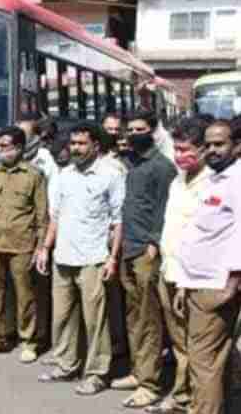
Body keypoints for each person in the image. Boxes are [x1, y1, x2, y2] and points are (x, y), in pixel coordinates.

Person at [36, 121, 125, 395]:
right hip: (63, 256)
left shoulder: (111, 174)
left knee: (96, 322)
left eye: (81, 143)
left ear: (95, 146)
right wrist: (45, 248)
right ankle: (66, 365)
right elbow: (56, 216)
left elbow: (117, 221)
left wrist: (112, 259)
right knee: (62, 317)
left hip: (94, 258)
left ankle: (97, 374)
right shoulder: (64, 175)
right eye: (73, 143)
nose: (75, 148)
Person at [174, 120, 241, 414]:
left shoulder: (237, 182)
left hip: (215, 286)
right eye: (208, 144)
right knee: (215, 363)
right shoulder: (216, 180)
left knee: (203, 365)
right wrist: (183, 283)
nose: (212, 150)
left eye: (220, 144)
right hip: (198, 282)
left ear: (236, 146)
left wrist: (234, 281)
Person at [146, 118, 211, 413]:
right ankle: (184, 395)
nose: (179, 156)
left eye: (185, 149)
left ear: (202, 150)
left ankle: (201, 399)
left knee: (198, 347)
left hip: (192, 278)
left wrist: (188, 281)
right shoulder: (177, 181)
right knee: (180, 343)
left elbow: (204, 237)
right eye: (176, 149)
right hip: (168, 272)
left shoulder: (211, 184)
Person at [113, 111, 177, 408]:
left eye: (141, 129)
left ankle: (151, 384)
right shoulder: (132, 163)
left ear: (152, 131)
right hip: (128, 247)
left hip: (146, 251)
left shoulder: (161, 167)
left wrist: (154, 242)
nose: (134, 133)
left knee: (149, 319)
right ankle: (139, 372)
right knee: (133, 315)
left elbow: (166, 208)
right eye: (131, 129)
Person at [0, 126, 48, 362]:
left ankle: (28, 341)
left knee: (25, 295)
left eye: (5, 146)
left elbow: (42, 215)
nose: (0, 150)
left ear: (19, 148)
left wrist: (40, 247)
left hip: (23, 244)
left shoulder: (34, 175)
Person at [16, 115, 57, 181]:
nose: (18, 138)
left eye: (23, 134)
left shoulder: (45, 156)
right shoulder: (11, 155)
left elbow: (53, 184)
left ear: (34, 136)